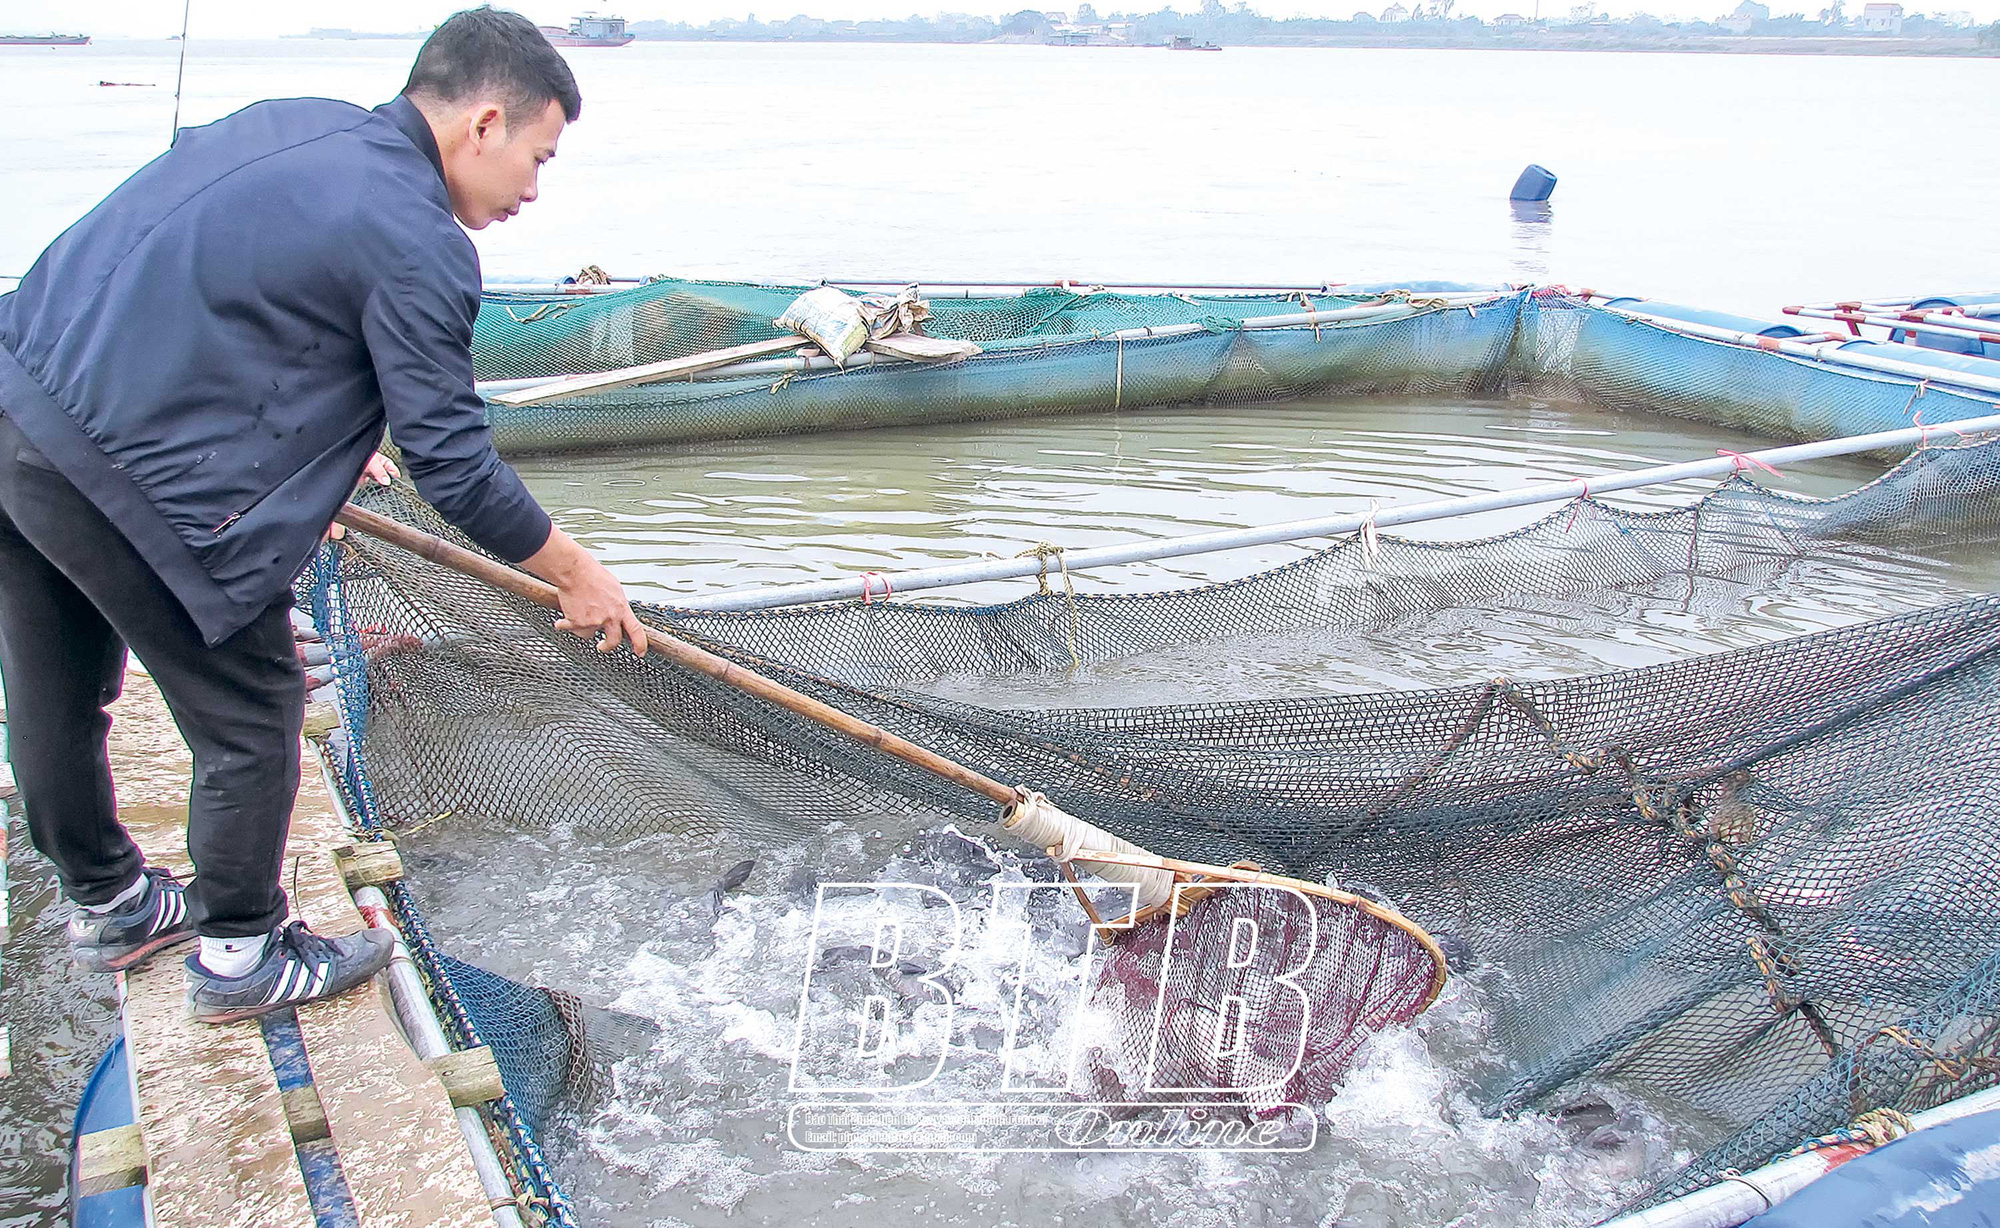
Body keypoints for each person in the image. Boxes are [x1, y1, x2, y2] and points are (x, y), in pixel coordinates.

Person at [0, 7, 645, 1024]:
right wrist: (573, 569)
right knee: (253, 707)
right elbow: (453, 463)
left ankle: (114, 902)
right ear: (483, 123)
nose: (533, 186)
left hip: (21, 404)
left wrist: (327, 450)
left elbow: (221, 299)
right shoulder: (420, 240)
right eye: (538, 154)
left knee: (57, 683)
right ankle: (240, 951)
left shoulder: (290, 122)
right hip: (128, 475)